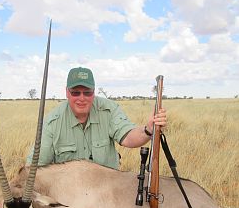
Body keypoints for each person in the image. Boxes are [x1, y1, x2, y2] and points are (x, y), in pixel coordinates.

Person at [27, 67, 166, 170]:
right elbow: (33, 169)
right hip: (69, 196)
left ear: (94, 92)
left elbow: (128, 137)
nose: (82, 98)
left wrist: (148, 129)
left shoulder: (109, 109)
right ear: (67, 93)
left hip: (107, 190)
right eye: (76, 93)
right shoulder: (52, 122)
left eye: (87, 93)